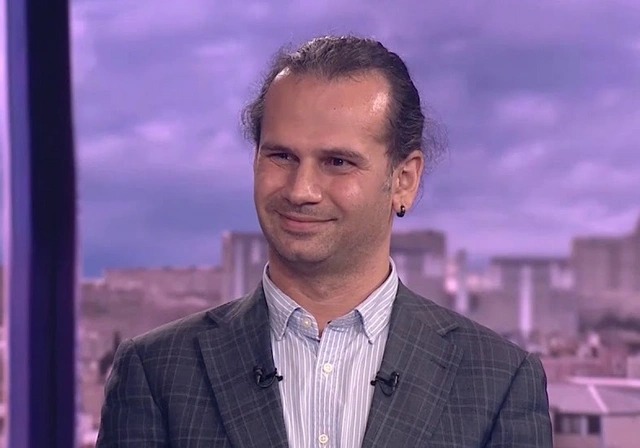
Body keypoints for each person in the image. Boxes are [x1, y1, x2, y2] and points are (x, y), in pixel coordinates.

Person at [96, 35, 552, 447]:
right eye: (281, 156)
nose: (301, 190)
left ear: (404, 180)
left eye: (337, 162)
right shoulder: (156, 372)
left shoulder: (498, 381)